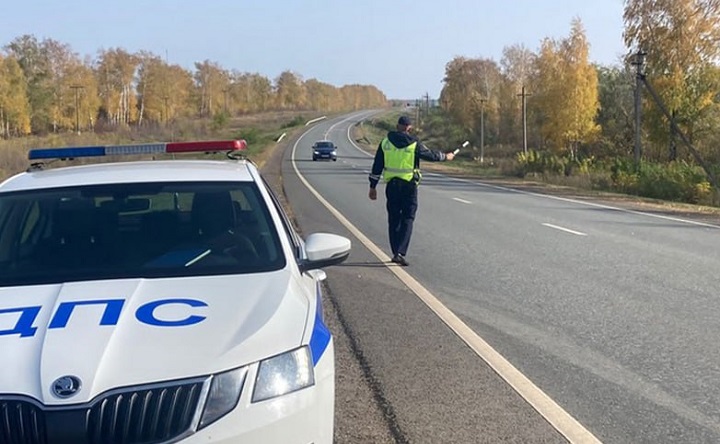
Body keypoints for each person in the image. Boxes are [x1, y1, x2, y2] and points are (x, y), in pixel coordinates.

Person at [368, 115, 455, 266]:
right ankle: (400, 252)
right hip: (409, 186)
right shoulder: (414, 143)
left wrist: (372, 186)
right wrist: (445, 157)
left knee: (393, 219)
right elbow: (431, 155)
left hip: (392, 186)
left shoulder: (385, 143)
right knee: (408, 218)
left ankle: (395, 251)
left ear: (397, 126)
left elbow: (377, 166)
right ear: (409, 127)